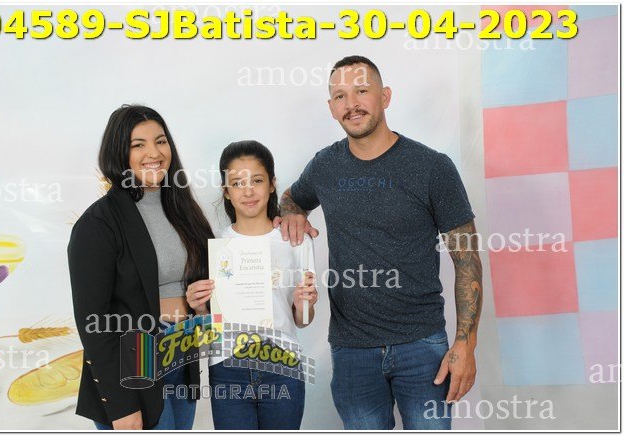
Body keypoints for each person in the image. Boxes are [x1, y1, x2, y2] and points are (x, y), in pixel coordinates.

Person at [276, 55, 483, 430]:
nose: (351, 104)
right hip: (351, 351)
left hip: (422, 346)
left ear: (384, 96)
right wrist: (292, 212)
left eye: (361, 91)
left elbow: (467, 260)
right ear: (331, 108)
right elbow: (292, 198)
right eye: (340, 96)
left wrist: (465, 344)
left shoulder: (432, 167)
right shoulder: (324, 166)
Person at [68, 105, 214, 430]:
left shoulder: (183, 209)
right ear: (119, 153)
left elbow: (202, 282)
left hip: (183, 350)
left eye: (161, 141)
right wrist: (122, 406)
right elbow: (93, 322)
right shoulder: (98, 223)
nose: (154, 153)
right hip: (136, 355)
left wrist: (202, 304)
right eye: (138, 145)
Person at [186, 140, 318, 430]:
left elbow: (304, 320)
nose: (248, 191)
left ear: (272, 184)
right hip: (227, 368)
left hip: (282, 365)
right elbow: (209, 330)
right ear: (226, 191)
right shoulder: (214, 245)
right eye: (237, 183)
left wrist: (303, 304)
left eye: (257, 180)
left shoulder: (296, 240)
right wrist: (199, 309)